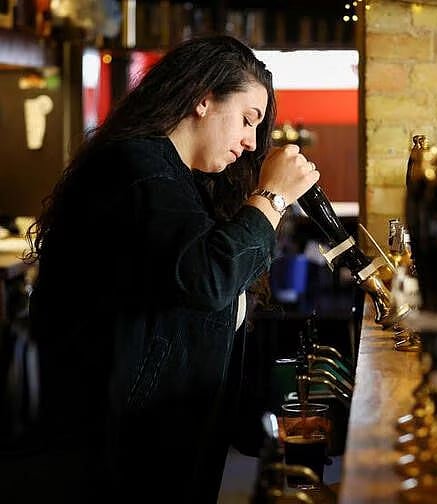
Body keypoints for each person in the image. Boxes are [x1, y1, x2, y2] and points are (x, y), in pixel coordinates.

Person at [6, 35, 320, 503]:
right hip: (116, 449)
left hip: (157, 439)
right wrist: (270, 198)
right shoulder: (137, 168)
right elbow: (207, 278)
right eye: (248, 120)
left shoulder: (182, 181)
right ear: (203, 98)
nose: (253, 143)